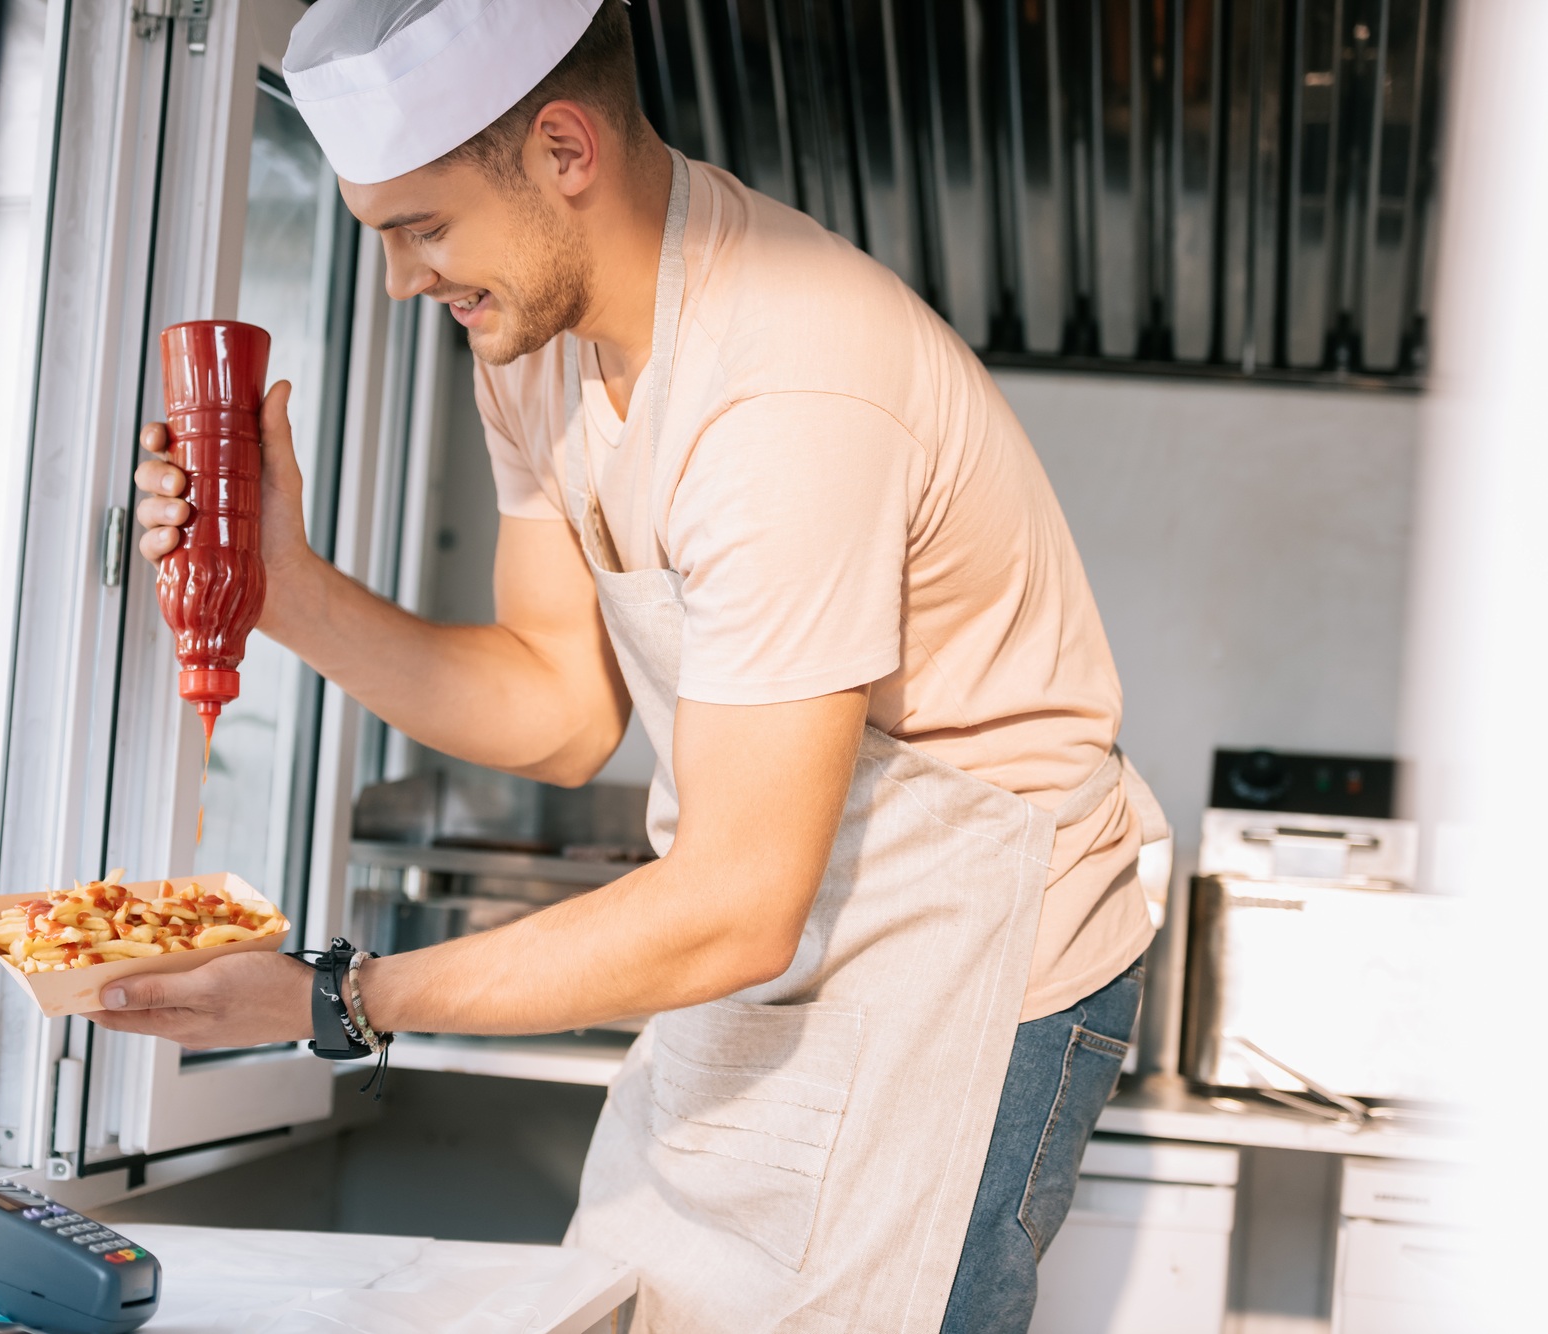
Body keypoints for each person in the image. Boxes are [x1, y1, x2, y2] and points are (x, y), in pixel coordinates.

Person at [89, 1, 1170, 1329]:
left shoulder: (789, 388)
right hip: (778, 907)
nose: (402, 282)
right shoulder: (540, 343)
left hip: (972, 945)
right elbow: (558, 706)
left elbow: (735, 903)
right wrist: (285, 591)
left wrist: (338, 996)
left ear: (564, 149)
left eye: (423, 229)